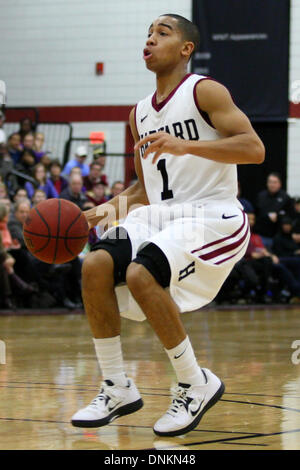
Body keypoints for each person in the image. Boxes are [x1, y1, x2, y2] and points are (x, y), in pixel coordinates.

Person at [71, 14, 265, 436]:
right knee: (95, 266)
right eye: (147, 34)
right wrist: (94, 215)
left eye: (163, 33)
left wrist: (186, 144)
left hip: (212, 214)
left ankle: (195, 383)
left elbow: (254, 148)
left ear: (185, 49)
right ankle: (117, 386)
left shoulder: (205, 91)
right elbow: (144, 192)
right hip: (159, 215)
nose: (150, 40)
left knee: (141, 272)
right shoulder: (138, 114)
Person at [255, 172, 295, 250]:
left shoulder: (285, 197)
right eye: (270, 182)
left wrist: (278, 216)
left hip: (278, 236)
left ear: (279, 184)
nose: (272, 185)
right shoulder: (261, 196)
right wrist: (267, 216)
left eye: (275, 182)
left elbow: (290, 215)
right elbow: (256, 214)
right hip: (262, 234)